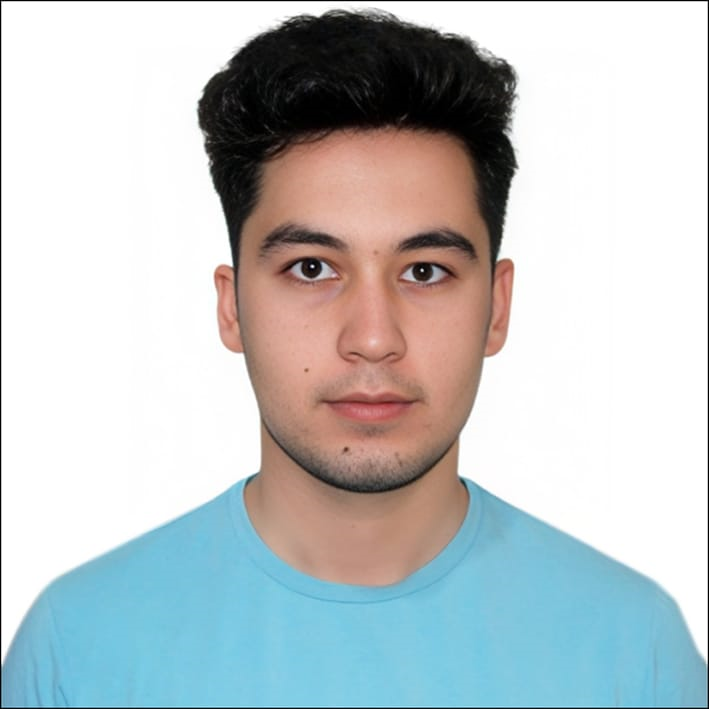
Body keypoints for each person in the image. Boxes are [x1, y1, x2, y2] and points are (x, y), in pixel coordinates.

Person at [2, 8, 706, 708]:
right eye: (311, 268)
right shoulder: (78, 647)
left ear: (496, 307)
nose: (372, 338)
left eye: (424, 271)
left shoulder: (633, 650)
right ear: (231, 306)